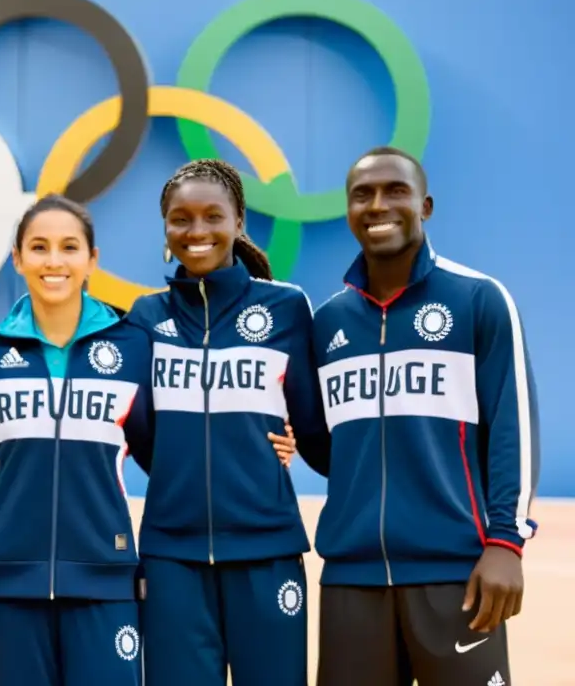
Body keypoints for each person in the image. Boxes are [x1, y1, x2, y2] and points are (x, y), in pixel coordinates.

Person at [311, 146, 540, 686]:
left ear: (426, 206)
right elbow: (331, 447)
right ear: (347, 211)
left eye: (395, 191)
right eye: (362, 194)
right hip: (351, 579)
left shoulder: (479, 299)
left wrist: (506, 542)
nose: (378, 205)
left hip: (456, 576)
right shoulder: (327, 323)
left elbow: (515, 429)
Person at [122, 158, 331, 686]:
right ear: (166, 228)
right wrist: (182, 467)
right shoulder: (145, 318)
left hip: (269, 549)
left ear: (239, 222)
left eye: (212, 216)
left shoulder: (286, 308)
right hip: (172, 555)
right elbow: (142, 433)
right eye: (181, 218)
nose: (197, 231)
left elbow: (313, 427)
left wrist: (262, 457)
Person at [0, 194, 157, 686]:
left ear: (92, 260)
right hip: (8, 577)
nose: (54, 261)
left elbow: (164, 455)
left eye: (69, 247)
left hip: (105, 572)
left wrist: (266, 441)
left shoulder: (132, 347)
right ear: (17, 259)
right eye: (39, 248)